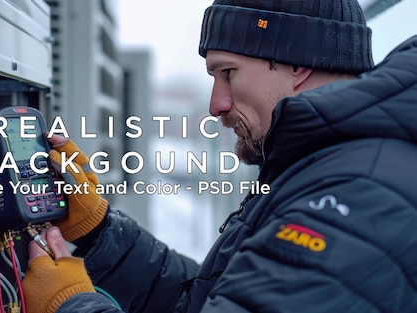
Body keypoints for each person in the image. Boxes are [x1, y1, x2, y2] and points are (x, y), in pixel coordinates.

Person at [22, 0, 417, 312]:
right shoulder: (329, 166)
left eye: (228, 72)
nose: (216, 104)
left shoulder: (355, 194)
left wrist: (70, 307)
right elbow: (206, 302)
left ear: (298, 65)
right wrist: (99, 230)